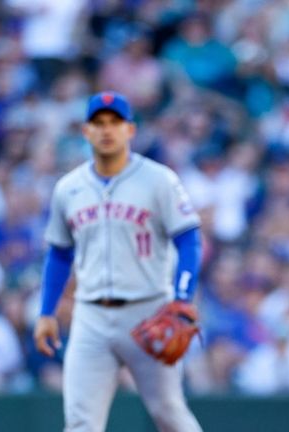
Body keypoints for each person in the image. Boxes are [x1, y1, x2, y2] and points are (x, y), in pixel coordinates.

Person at [33, 92, 203, 432]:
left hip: (149, 309)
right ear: (86, 131)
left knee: (169, 414)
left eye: (115, 123)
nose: (106, 130)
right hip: (90, 317)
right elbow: (59, 253)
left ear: (130, 130)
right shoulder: (68, 188)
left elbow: (189, 240)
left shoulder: (159, 179)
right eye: (99, 123)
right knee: (81, 423)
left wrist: (182, 299)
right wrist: (47, 312)